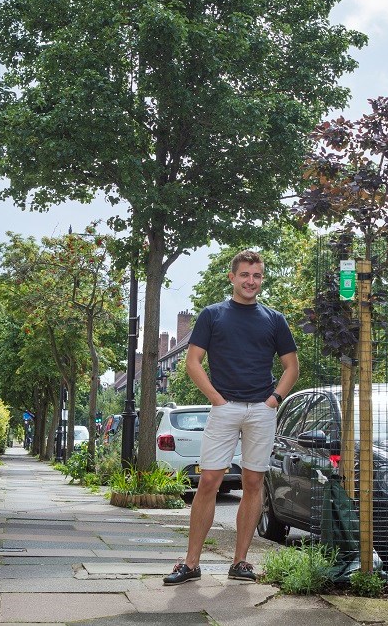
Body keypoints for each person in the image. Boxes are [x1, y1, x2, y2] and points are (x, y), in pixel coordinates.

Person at [163, 249, 299, 585]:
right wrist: (216, 399)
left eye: (257, 276)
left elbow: (291, 367)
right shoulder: (212, 315)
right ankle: (191, 562)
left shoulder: (274, 319)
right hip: (225, 408)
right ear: (232, 278)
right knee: (209, 481)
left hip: (261, 411)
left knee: (253, 483)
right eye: (245, 275)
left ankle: (240, 562)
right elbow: (193, 362)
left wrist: (273, 400)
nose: (251, 281)